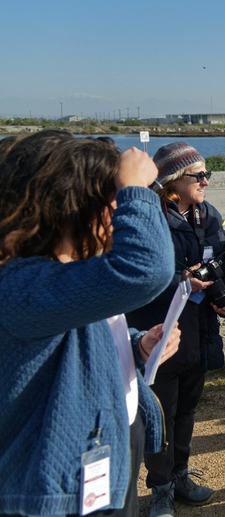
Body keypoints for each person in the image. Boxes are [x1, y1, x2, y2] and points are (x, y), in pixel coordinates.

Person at [0, 131, 180, 517]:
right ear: (70, 205)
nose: (118, 210)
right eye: (111, 198)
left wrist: (135, 345)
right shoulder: (20, 285)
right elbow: (147, 267)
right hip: (52, 493)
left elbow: (79, 337)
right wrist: (136, 189)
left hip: (98, 465)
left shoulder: (65, 276)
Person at [127, 142, 225, 517]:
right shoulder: (149, 219)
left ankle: (181, 476)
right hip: (158, 333)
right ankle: (160, 489)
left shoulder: (207, 215)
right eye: (199, 175)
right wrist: (180, 282)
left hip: (199, 332)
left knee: (188, 410)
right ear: (173, 181)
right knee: (159, 415)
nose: (206, 181)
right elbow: (136, 276)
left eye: (207, 174)